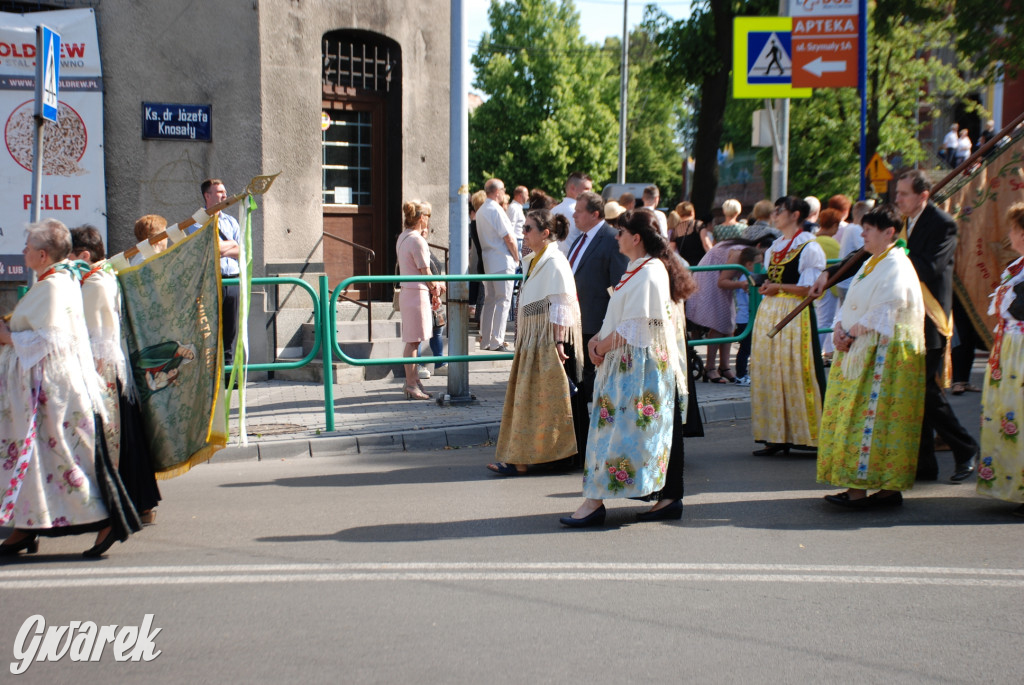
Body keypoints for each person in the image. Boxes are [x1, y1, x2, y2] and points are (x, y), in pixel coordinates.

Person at [810, 170, 979, 481]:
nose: (897, 199)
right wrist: (829, 274)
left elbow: (929, 268)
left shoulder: (942, 224)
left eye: (903, 194)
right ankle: (924, 463)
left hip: (927, 317)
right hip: (898, 319)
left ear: (923, 196)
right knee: (912, 392)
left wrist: (892, 254)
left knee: (926, 391)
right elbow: (863, 254)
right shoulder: (901, 226)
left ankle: (964, 447)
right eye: (897, 193)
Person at [0, 219, 139, 557]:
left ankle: (108, 521)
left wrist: (6, 337)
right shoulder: (56, 280)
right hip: (43, 392)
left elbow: (50, 339)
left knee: (68, 461)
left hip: (52, 396)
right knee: (37, 462)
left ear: (43, 254)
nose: (24, 252)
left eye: (29, 247)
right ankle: (25, 527)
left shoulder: (54, 286)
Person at [560, 209, 695, 526]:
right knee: (611, 434)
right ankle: (601, 500)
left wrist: (601, 346)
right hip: (626, 365)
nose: (616, 237)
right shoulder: (638, 268)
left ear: (636, 238)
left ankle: (595, 502)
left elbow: (638, 326)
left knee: (616, 435)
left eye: (620, 232)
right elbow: (621, 317)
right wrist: (596, 342)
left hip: (637, 369)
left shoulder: (649, 272)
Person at [818, 206, 926, 509]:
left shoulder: (896, 265)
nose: (862, 234)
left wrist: (850, 334)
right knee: (858, 416)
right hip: (859, 348)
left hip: (880, 357)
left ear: (889, 232)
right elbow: (853, 300)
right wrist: (839, 327)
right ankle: (882, 490)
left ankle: (865, 490)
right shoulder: (872, 263)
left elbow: (887, 307)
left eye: (868, 229)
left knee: (871, 419)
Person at [70, 226, 162, 525]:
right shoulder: (105, 273)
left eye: (69, 257)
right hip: (114, 368)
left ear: (84, 255)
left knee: (115, 442)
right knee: (128, 439)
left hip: (103, 370)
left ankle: (123, 507)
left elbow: (94, 336)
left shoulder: (95, 283)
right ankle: (140, 504)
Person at [487, 210, 582, 475]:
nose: (523, 233)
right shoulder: (534, 261)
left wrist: (559, 343)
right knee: (527, 401)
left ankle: (536, 458)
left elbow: (561, 304)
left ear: (545, 234)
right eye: (525, 227)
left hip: (546, 342)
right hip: (532, 341)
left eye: (528, 228)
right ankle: (521, 459)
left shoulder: (554, 262)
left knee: (546, 404)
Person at [750, 196, 827, 456]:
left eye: (779, 210)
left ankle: (808, 434)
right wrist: (766, 286)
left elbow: (811, 288)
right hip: (771, 311)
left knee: (796, 372)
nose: (775, 214)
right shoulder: (776, 246)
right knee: (770, 372)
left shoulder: (809, 247)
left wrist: (779, 287)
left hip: (795, 315)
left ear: (795, 215)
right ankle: (776, 434)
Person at [565, 191, 629, 466]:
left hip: (596, 329)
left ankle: (600, 450)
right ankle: (578, 448)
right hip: (574, 326)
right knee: (577, 388)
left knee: (594, 390)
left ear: (595, 214)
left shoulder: (611, 240)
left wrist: (607, 331)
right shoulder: (578, 240)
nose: (574, 215)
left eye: (578, 211)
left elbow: (618, 289)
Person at [976, 203, 1024, 517]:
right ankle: (1012, 485)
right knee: (1009, 415)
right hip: (1009, 346)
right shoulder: (1018, 265)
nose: (1009, 234)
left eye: (1012, 229)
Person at [686, 237, 771, 383]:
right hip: (710, 280)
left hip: (716, 279)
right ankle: (710, 368)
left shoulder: (744, 253)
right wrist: (740, 284)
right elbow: (722, 281)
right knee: (719, 324)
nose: (761, 264)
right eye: (759, 262)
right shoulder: (738, 254)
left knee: (728, 325)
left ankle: (724, 366)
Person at [396, 200, 440, 400]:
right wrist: (436, 289)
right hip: (417, 293)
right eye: (428, 216)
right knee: (413, 341)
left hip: (409, 291)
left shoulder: (404, 236)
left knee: (413, 340)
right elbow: (426, 270)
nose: (429, 220)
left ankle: (414, 381)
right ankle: (412, 383)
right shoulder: (417, 240)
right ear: (422, 218)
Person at [194, 179, 242, 361]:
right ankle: (214, 374)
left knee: (230, 329)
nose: (225, 195)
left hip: (232, 280)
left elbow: (243, 250)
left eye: (224, 191)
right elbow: (209, 249)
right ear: (208, 196)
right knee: (211, 329)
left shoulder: (231, 222)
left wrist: (224, 247)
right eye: (219, 192)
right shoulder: (197, 223)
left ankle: (229, 371)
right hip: (211, 281)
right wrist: (231, 245)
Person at [476, 179, 520, 352]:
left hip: (489, 260)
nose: (504, 192)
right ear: (497, 192)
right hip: (502, 259)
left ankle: (486, 339)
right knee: (503, 301)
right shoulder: (496, 210)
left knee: (490, 300)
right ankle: (497, 340)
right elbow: (508, 237)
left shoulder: (481, 211)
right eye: (503, 189)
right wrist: (517, 258)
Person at [416, 219, 448, 379]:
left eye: (426, 229)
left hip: (433, 294)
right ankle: (419, 365)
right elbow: (423, 271)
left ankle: (440, 363)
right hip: (423, 293)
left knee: (437, 329)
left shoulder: (426, 247)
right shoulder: (415, 245)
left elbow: (434, 269)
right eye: (422, 229)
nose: (424, 232)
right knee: (420, 332)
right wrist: (435, 287)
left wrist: (439, 283)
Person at [815, 208, 844, 363]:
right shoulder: (833, 244)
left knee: (820, 321)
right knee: (825, 321)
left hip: (813, 286)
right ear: (833, 225)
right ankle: (816, 354)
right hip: (829, 287)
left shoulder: (812, 240)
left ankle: (821, 352)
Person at [552, 171, 592, 255]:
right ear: (573, 188)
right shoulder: (582, 213)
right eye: (586, 189)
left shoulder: (552, 211)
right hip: (573, 262)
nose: (590, 193)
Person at [668, 201, 710, 265]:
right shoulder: (698, 225)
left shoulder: (675, 229)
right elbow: (706, 244)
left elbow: (672, 250)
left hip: (684, 267)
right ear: (692, 212)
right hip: (701, 265)